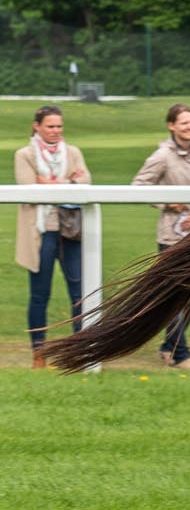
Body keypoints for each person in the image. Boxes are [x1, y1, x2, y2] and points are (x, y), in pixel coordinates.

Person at [133, 103, 190, 368]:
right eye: (184, 123)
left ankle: (169, 347)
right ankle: (179, 352)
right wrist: (168, 202)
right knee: (173, 293)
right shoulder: (162, 156)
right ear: (171, 126)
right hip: (172, 234)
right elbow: (139, 186)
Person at [16, 106, 89, 366]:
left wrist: (50, 184)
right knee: (39, 295)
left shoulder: (73, 152)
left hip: (70, 232)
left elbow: (86, 182)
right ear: (37, 126)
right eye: (50, 126)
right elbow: (29, 188)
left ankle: (79, 350)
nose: (56, 131)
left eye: (59, 126)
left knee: (79, 293)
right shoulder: (24, 155)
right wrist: (69, 182)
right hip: (41, 233)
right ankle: (39, 352)